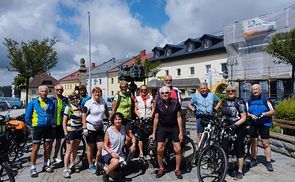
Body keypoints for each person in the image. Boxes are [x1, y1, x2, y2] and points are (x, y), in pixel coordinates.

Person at [149, 86, 183, 179]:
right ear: (160, 94)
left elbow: (179, 117)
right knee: (159, 149)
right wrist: (153, 132)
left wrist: (181, 132)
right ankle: (161, 168)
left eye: (166, 93)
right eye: (163, 93)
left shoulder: (176, 103)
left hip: (174, 127)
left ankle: (177, 169)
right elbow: (156, 118)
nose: (164, 94)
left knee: (178, 149)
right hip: (163, 128)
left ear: (170, 93)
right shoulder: (158, 104)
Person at [25, 85, 55, 178]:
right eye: (42, 91)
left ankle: (45, 165)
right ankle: (33, 168)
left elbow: (52, 113)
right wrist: (32, 126)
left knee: (47, 147)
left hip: (48, 127)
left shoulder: (51, 102)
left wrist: (50, 122)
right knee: (36, 148)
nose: (44, 93)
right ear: (39, 92)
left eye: (46, 91)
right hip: (37, 128)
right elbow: (27, 117)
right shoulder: (33, 102)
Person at [221, 85, 247, 180]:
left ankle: (240, 171)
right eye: (229, 91)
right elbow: (223, 115)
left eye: (232, 91)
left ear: (235, 92)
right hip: (227, 129)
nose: (230, 92)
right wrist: (222, 122)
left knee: (238, 150)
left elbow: (244, 118)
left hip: (238, 129)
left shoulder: (239, 101)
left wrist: (235, 125)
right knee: (224, 149)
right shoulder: (225, 102)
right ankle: (225, 168)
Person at [247, 84, 275, 172]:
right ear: (251, 91)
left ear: (260, 90)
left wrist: (264, 114)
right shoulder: (249, 100)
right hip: (253, 123)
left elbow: (273, 111)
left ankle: (268, 161)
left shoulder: (266, 99)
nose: (255, 91)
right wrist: (251, 115)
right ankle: (254, 159)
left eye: (256, 89)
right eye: (253, 89)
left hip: (264, 124)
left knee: (265, 143)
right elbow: (246, 112)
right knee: (253, 142)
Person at [82, 86, 110, 175]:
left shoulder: (102, 101)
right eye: (95, 92)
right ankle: (91, 165)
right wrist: (84, 127)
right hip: (90, 128)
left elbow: (106, 111)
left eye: (99, 92)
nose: (97, 94)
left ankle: (96, 163)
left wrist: (109, 120)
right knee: (90, 148)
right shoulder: (89, 103)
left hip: (100, 128)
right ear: (92, 93)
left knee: (101, 148)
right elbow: (83, 114)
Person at [102, 112, 136, 181]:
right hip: (108, 153)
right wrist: (111, 153)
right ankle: (106, 175)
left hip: (119, 154)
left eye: (119, 119)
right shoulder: (109, 130)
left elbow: (133, 137)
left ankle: (102, 167)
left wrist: (133, 145)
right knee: (115, 162)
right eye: (116, 119)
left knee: (117, 176)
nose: (118, 121)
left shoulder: (124, 128)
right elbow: (105, 145)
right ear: (113, 121)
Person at [62, 93, 82, 178]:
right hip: (70, 131)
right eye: (73, 98)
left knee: (75, 149)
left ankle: (72, 164)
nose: (75, 100)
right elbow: (64, 122)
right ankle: (66, 169)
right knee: (69, 150)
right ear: (70, 100)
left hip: (78, 131)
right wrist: (65, 133)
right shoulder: (68, 107)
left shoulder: (80, 107)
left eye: (76, 98)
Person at [134, 85, 155, 159]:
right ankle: (141, 152)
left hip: (148, 119)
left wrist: (151, 116)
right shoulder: (137, 98)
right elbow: (136, 109)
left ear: (147, 90)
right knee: (140, 137)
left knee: (150, 135)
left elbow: (153, 108)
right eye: (142, 90)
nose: (144, 91)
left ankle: (151, 151)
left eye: (145, 90)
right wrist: (140, 116)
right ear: (140, 91)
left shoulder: (150, 98)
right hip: (141, 119)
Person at [51, 84, 69, 163]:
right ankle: (48, 158)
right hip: (52, 124)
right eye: (58, 89)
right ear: (55, 90)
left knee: (58, 141)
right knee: (50, 142)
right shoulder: (51, 99)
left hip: (61, 124)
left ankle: (55, 156)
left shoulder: (65, 99)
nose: (59, 91)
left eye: (61, 89)